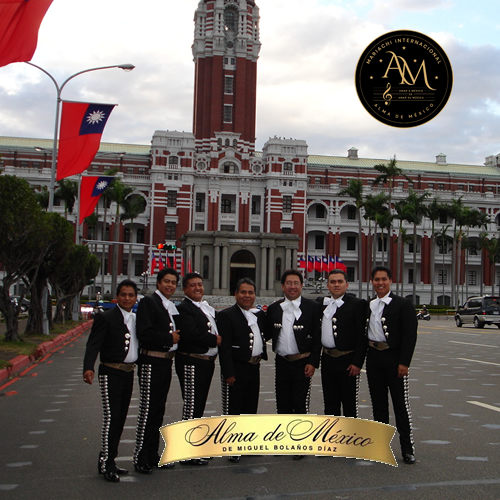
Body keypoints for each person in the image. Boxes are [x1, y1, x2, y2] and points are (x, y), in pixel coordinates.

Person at [83, 279, 139, 482]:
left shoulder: (135, 319)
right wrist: (88, 367)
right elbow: (93, 344)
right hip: (110, 372)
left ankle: (110, 460)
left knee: (121, 417)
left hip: (128, 373)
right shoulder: (106, 318)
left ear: (135, 297)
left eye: (131, 295)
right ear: (118, 296)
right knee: (111, 418)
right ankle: (107, 462)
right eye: (123, 294)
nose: (127, 298)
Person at [266, 269, 321, 459]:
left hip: (302, 362)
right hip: (282, 362)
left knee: (299, 403)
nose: (292, 286)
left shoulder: (312, 307)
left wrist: (313, 362)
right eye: (288, 283)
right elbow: (266, 333)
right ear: (282, 286)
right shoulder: (274, 308)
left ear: (301, 285)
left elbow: (317, 337)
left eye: (296, 283)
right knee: (282, 402)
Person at [366, 265, 418, 465]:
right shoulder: (369, 305)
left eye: (384, 279)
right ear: (372, 282)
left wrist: (404, 362)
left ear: (390, 281)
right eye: (377, 279)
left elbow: (409, 335)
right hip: (374, 357)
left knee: (400, 405)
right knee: (378, 405)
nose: (380, 283)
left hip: (394, 358)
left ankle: (407, 448)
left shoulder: (402, 304)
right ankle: (381, 446)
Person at [133, 268, 181, 474]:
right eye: (166, 282)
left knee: (158, 410)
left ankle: (152, 454)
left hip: (164, 363)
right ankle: (140, 456)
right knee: (147, 411)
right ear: (158, 283)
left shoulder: (168, 306)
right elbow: (144, 333)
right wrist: (168, 338)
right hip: (151, 361)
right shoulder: (148, 302)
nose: (170, 285)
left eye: (173, 282)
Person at [218, 278, 267, 463]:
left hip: (254, 366)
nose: (247, 296)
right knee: (234, 407)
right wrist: (228, 373)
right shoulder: (227, 315)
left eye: (251, 292)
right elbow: (225, 348)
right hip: (237, 368)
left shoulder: (258, 315)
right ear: (235, 294)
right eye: (243, 292)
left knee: (250, 406)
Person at [175, 272, 221, 466]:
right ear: (185, 289)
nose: (197, 288)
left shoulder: (205, 307)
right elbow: (191, 333)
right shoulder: (184, 309)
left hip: (205, 362)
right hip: (191, 361)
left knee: (198, 404)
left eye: (200, 284)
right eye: (192, 285)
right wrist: (215, 340)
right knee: (192, 405)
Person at [317, 269, 367, 418]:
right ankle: (332, 438)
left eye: (340, 282)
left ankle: (349, 438)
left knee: (349, 404)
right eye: (333, 282)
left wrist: (357, 362)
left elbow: (361, 336)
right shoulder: (321, 303)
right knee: (330, 404)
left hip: (347, 361)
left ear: (346, 284)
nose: (336, 285)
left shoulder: (357, 304)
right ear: (328, 285)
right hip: (327, 359)